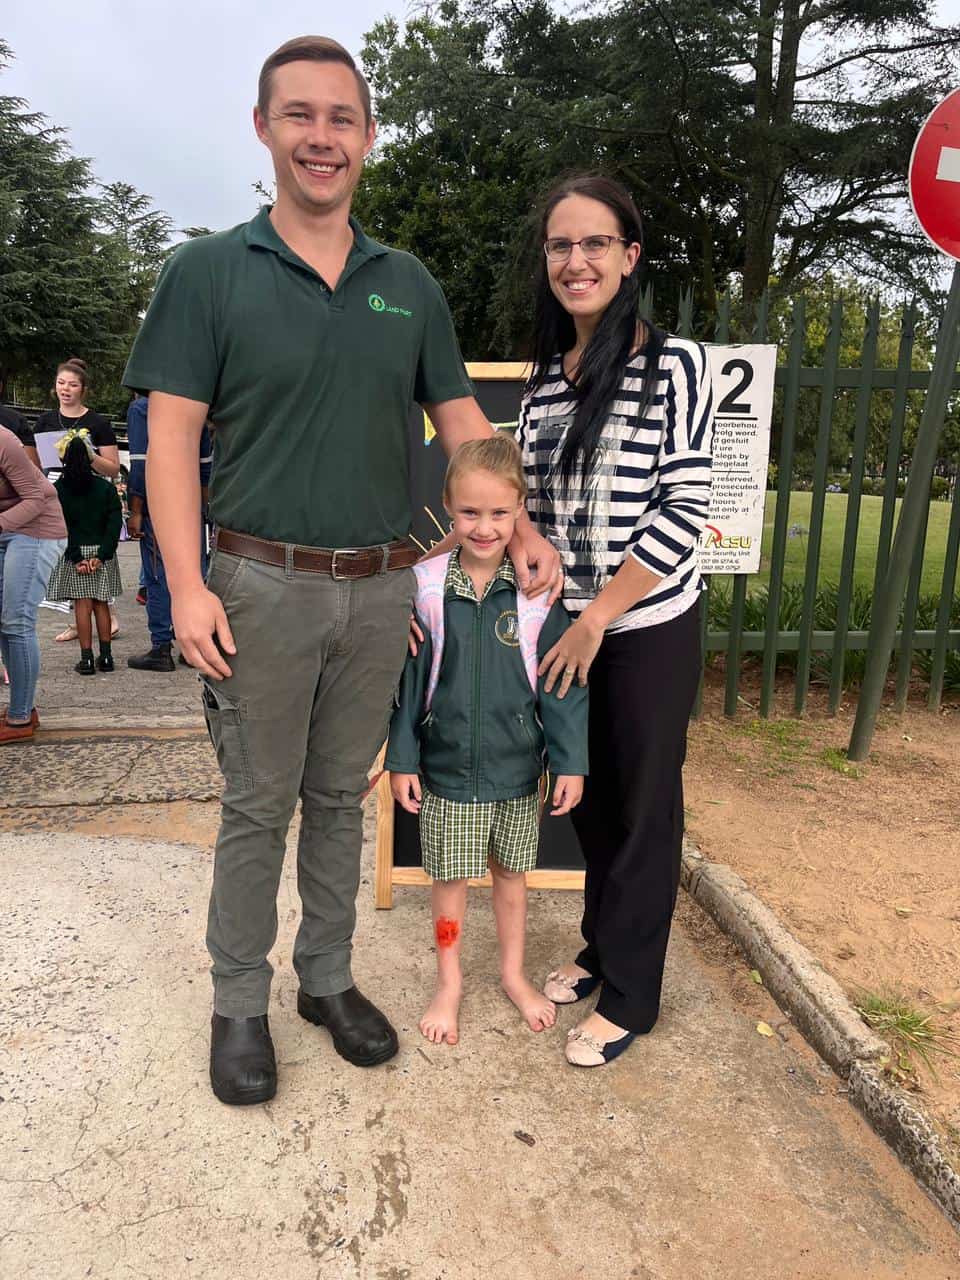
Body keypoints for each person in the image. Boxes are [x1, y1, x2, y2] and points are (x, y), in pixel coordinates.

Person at [122, 35, 560, 1106]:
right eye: (300, 115)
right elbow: (169, 439)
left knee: (336, 799)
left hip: (377, 592)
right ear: (263, 127)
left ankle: (325, 978)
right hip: (257, 586)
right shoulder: (206, 272)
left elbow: (461, 417)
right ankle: (239, 1001)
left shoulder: (405, 284)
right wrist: (187, 584)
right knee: (256, 805)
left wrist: (525, 523)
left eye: (341, 119)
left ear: (367, 137)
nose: (322, 138)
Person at [518, 175, 714, 1067]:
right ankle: (602, 948)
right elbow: (525, 507)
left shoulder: (676, 366)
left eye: (595, 243)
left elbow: (684, 508)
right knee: (590, 801)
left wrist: (599, 615)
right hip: (568, 627)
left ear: (629, 256)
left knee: (642, 808)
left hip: (644, 627)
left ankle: (633, 994)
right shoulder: (541, 384)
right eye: (561, 245)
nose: (577, 261)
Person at [386, 435, 588, 1046]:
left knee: (510, 878)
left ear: (519, 510)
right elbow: (407, 681)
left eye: (500, 513)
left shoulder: (535, 592)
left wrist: (571, 761)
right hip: (446, 772)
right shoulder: (423, 588)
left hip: (516, 771)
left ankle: (512, 974)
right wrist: (402, 758)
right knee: (448, 884)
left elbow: (559, 684)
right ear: (448, 506)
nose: (484, 527)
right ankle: (448, 982)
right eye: (470, 512)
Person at [20, 358, 122, 642]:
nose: (65, 389)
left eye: (72, 384)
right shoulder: (45, 421)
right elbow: (35, 463)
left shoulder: (97, 422)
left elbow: (113, 468)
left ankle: (107, 612)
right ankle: (77, 619)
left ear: (83, 389)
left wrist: (89, 455)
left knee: (89, 547)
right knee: (62, 555)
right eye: (61, 383)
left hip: (90, 488)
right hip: (56, 486)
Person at [125, 393, 213, 671]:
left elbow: (140, 463)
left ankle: (161, 646)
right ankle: (194, 645)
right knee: (195, 574)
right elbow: (205, 466)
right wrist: (204, 511)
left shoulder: (143, 408)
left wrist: (136, 511)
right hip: (193, 504)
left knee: (157, 575)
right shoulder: (196, 404)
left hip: (159, 503)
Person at [0, 426, 67, 743]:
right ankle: (23, 706)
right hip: (5, 530)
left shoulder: (3, 440)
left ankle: (20, 718)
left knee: (17, 621)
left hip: (37, 528)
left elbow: (35, 499)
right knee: (4, 623)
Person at [46, 433, 123, 675]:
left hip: (75, 552)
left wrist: (77, 557)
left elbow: (60, 526)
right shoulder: (105, 488)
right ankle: (107, 657)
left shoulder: (58, 490)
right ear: (91, 458)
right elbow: (114, 524)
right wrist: (102, 555)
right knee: (101, 604)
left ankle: (87, 659)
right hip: (101, 552)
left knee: (82, 604)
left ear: (64, 459)